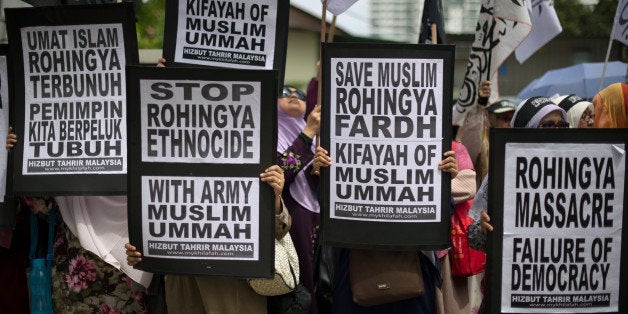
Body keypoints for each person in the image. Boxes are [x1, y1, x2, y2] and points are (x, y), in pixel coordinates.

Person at [6, 130, 151, 313]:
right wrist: (19, 154)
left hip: (119, 262)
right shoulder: (69, 146)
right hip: (80, 266)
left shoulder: (138, 144)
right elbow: (40, 204)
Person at [126, 164, 290, 314]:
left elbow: (279, 229)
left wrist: (274, 197)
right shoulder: (162, 165)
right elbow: (154, 225)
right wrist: (142, 251)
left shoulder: (247, 163)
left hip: (232, 291)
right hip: (184, 288)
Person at [312, 146, 459, 314]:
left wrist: (443, 180)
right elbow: (328, 208)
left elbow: (443, 212)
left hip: (411, 279)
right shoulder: (348, 148)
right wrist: (325, 173)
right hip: (355, 275)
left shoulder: (424, 150)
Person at [467, 96, 568, 252]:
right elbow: (473, 237)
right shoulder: (505, 170)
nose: (556, 131)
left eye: (562, 125)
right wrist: (484, 229)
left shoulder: (573, 172)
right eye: (547, 125)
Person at [276, 84, 322, 313]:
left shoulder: (318, 139)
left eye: (300, 94)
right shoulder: (268, 133)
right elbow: (281, 172)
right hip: (290, 221)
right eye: (285, 93)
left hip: (317, 217)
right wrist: (307, 132)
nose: (293, 95)